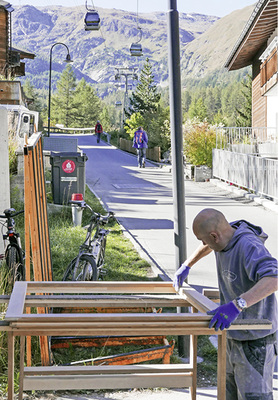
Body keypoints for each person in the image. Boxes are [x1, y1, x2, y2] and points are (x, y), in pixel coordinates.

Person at [173, 208, 277, 400]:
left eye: (205, 239)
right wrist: (188, 264)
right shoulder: (227, 233)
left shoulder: (248, 246)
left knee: (255, 396)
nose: (204, 244)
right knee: (229, 393)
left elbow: (274, 278)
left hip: (255, 340)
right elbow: (208, 244)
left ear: (215, 235)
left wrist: (237, 305)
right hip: (233, 333)